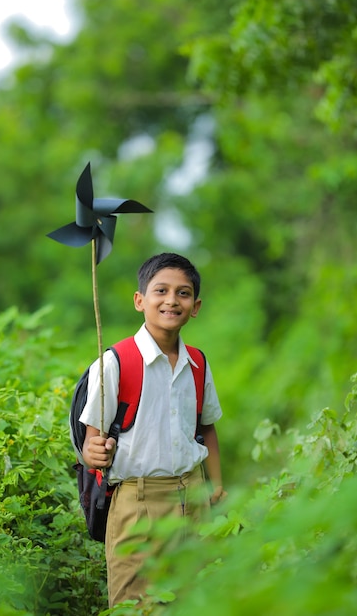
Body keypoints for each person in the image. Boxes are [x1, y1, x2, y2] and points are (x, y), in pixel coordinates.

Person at [80, 252, 224, 607]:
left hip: (192, 497)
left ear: (196, 306)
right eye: (161, 290)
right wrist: (94, 452)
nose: (172, 300)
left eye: (183, 293)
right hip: (137, 501)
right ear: (140, 300)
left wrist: (215, 483)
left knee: (195, 600)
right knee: (136, 604)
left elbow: (206, 428)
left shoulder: (198, 363)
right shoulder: (115, 363)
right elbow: (90, 444)